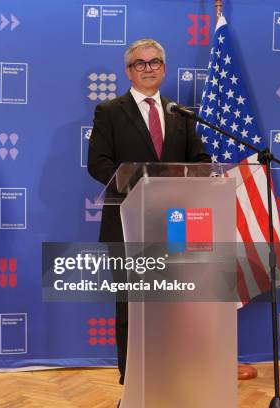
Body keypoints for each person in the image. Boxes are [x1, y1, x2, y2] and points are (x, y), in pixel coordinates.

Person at [87, 39, 210, 386]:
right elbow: (98, 163)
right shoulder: (109, 111)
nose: (148, 68)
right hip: (128, 220)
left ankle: (173, 376)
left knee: (174, 303)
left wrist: (192, 179)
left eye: (155, 61)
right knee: (131, 307)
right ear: (129, 71)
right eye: (140, 63)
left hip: (175, 224)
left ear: (164, 68)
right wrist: (140, 187)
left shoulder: (178, 112)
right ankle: (133, 382)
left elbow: (199, 160)